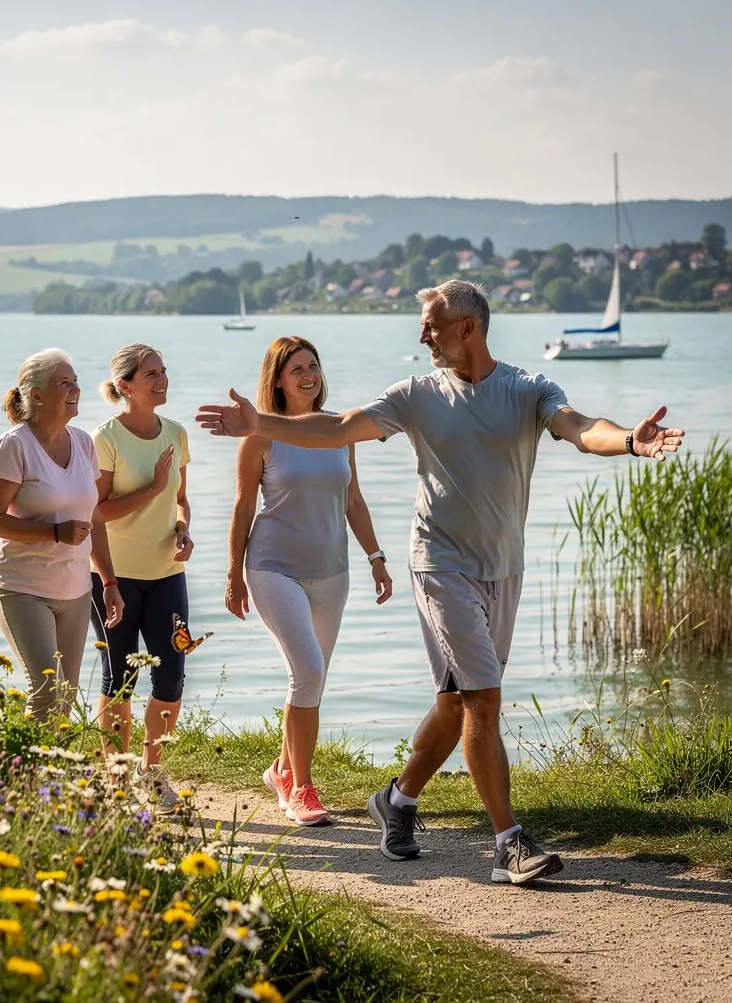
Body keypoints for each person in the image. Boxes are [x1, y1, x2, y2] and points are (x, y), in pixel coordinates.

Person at [197, 280, 684, 884]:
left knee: (455, 705)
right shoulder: (416, 394)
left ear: (468, 329)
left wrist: (630, 442)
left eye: (431, 324)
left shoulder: (529, 389)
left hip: (502, 567)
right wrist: (259, 422)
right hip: (438, 563)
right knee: (484, 698)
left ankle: (396, 801)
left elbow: (580, 427)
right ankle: (510, 842)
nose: (421, 334)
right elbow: (338, 428)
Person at [228, 337, 392, 827]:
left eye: (313, 366)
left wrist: (376, 557)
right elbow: (242, 507)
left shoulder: (339, 429)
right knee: (309, 672)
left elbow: (354, 501)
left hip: (332, 571)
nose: (308, 375)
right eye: (296, 368)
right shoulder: (259, 435)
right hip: (273, 566)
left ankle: (281, 770)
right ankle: (300, 787)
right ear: (277, 378)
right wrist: (233, 573)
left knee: (310, 678)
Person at [0, 348, 123, 721]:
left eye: (75, 381)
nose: (75, 389)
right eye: (64, 382)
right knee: (47, 693)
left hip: (76, 589)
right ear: (37, 394)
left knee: (65, 698)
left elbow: (94, 516)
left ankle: (51, 779)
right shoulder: (14, 446)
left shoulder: (83, 442)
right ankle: (24, 777)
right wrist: (55, 532)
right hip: (22, 586)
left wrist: (108, 581)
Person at [91, 344, 194, 813]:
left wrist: (183, 529)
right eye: (151, 374)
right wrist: (151, 487)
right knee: (122, 678)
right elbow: (96, 511)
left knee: (171, 675)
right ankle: (116, 782)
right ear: (125, 385)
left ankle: (152, 774)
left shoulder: (176, 433)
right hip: (113, 575)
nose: (162, 380)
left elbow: (180, 500)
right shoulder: (105, 438)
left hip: (167, 574)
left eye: (164, 371)